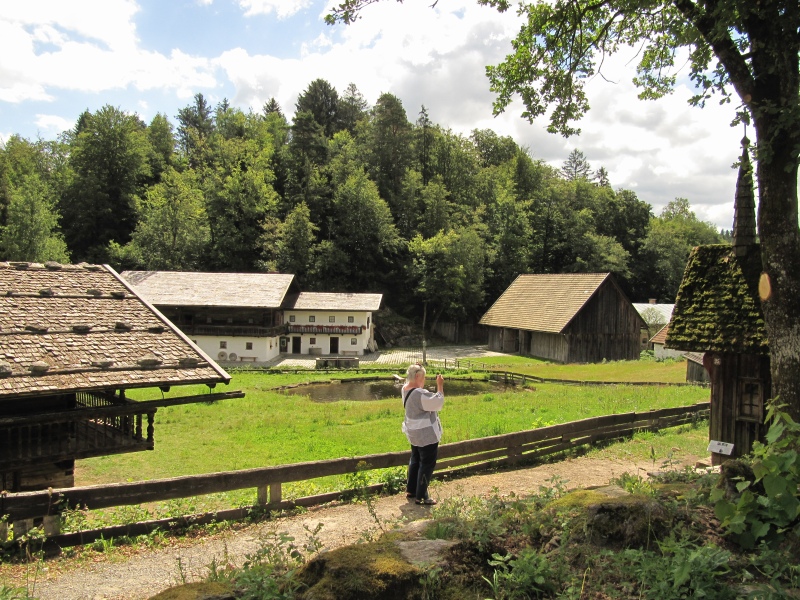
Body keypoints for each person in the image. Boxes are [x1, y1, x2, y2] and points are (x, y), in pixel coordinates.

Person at [401, 363, 444, 505]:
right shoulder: (419, 394)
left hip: (413, 432)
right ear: (418, 376)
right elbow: (438, 403)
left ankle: (411, 490)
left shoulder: (405, 389)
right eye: (423, 377)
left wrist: (416, 367)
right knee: (427, 464)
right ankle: (421, 496)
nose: (424, 381)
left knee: (415, 460)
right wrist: (440, 386)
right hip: (426, 434)